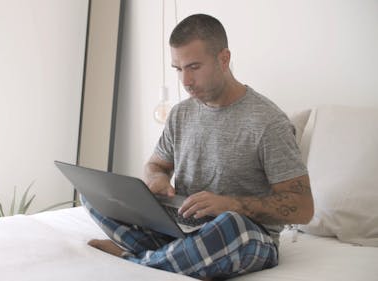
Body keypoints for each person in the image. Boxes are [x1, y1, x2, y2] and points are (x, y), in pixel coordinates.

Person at [83, 14, 314, 280]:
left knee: (230, 226)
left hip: (243, 236)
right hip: (177, 226)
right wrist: (156, 180)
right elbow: (156, 166)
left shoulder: (268, 122)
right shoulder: (181, 114)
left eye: (193, 67)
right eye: (178, 69)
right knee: (95, 193)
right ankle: (171, 255)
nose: (185, 81)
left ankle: (135, 259)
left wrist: (231, 204)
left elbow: (303, 207)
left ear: (224, 59)